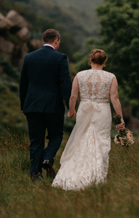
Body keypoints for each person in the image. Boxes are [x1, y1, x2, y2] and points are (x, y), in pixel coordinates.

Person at [52, 49, 125, 191]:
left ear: (90, 60)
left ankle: (73, 173)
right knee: (100, 141)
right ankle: (95, 176)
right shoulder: (111, 77)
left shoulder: (80, 75)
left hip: (84, 110)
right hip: (102, 112)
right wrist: (120, 117)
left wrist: (72, 110)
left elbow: (73, 96)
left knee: (81, 140)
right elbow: (114, 98)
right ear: (104, 62)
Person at [19, 29, 72, 180]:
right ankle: (47, 158)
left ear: (44, 40)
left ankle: (35, 174)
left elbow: (23, 84)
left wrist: (24, 106)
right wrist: (71, 107)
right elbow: (65, 85)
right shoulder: (60, 58)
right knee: (56, 135)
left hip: (32, 106)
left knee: (36, 141)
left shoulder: (29, 57)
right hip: (53, 106)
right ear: (56, 41)